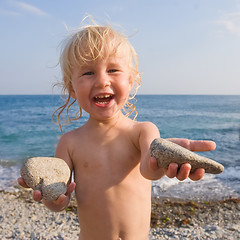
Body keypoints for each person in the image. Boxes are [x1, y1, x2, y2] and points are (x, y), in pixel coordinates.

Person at [18, 20, 216, 240]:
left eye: (113, 69)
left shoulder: (142, 131)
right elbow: (59, 199)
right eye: (88, 73)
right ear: (71, 88)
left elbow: (149, 171)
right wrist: (52, 198)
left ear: (131, 80)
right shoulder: (70, 142)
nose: (103, 80)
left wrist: (165, 159)